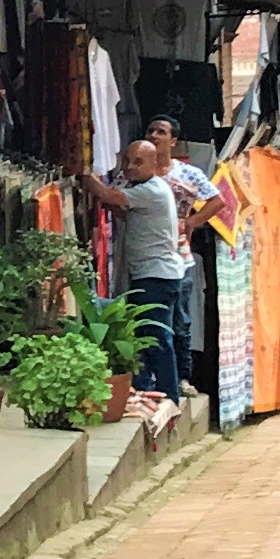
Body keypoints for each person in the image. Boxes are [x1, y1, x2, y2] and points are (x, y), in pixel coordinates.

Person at [90, 133, 189, 398]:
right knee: (145, 337)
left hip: (156, 275)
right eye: (127, 161)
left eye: (138, 162)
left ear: (154, 164)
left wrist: (83, 173)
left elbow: (109, 195)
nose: (130, 167)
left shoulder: (151, 190)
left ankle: (169, 396)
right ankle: (147, 392)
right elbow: (123, 211)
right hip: (153, 274)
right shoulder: (146, 189)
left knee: (156, 338)